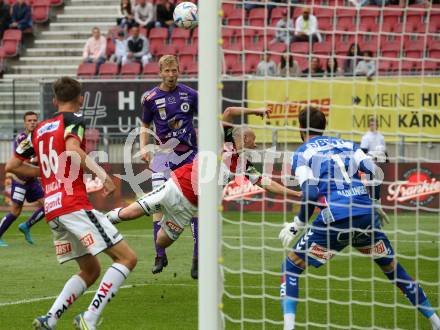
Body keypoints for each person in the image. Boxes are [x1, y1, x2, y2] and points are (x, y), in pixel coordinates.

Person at [278, 106, 440, 330]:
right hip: (365, 217)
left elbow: (311, 194)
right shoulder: (347, 144)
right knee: (393, 268)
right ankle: (435, 321)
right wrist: (374, 202)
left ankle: (288, 328)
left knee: (291, 267)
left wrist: (297, 225)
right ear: (324, 127)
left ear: (300, 128)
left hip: (335, 221)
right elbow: (374, 170)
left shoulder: (302, 153)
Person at [6, 77, 137, 330]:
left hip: (53, 209)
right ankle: (89, 319)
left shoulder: (38, 130)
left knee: (90, 270)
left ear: (54, 100)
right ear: (81, 99)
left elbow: (12, 165)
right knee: (127, 259)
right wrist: (104, 177)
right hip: (72, 204)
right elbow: (73, 149)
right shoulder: (73, 120)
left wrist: (44, 173)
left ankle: (50, 319)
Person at [107, 108, 302, 250]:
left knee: (162, 241)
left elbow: (268, 184)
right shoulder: (222, 139)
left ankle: (163, 211)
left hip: (190, 207)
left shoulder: (243, 165)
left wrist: (295, 193)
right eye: (254, 140)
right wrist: (255, 111)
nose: (256, 144)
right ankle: (102, 221)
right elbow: (229, 111)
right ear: (243, 138)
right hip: (176, 187)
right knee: (129, 214)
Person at [140, 55, 199, 278]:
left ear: (179, 71)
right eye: (168, 71)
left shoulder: (190, 94)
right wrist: (144, 147)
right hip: (162, 158)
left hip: (189, 155)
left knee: (196, 206)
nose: (172, 75)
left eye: (175, 70)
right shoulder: (151, 98)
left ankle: (197, 259)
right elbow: (145, 124)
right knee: (157, 205)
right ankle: (159, 254)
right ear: (160, 72)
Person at [0, 111, 45, 247]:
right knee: (15, 210)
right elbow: (20, 161)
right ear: (25, 123)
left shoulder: (39, 137)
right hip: (20, 180)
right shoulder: (22, 138)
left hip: (32, 180)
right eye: (29, 120)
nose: (32, 122)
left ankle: (26, 225)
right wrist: (36, 159)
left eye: (34, 120)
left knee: (48, 204)